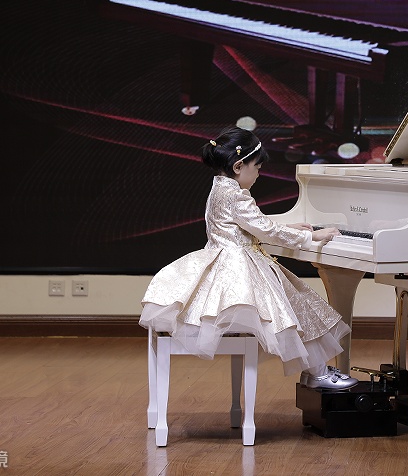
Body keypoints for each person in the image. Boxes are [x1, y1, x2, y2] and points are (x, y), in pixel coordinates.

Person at [139, 126, 358, 390]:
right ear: (239, 166)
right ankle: (318, 373)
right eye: (257, 167)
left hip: (224, 263)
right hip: (240, 268)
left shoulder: (220, 188)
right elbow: (265, 230)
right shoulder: (236, 195)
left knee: (297, 306)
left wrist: (289, 227)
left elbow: (249, 226)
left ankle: (317, 370)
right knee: (297, 307)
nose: (258, 173)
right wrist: (311, 236)